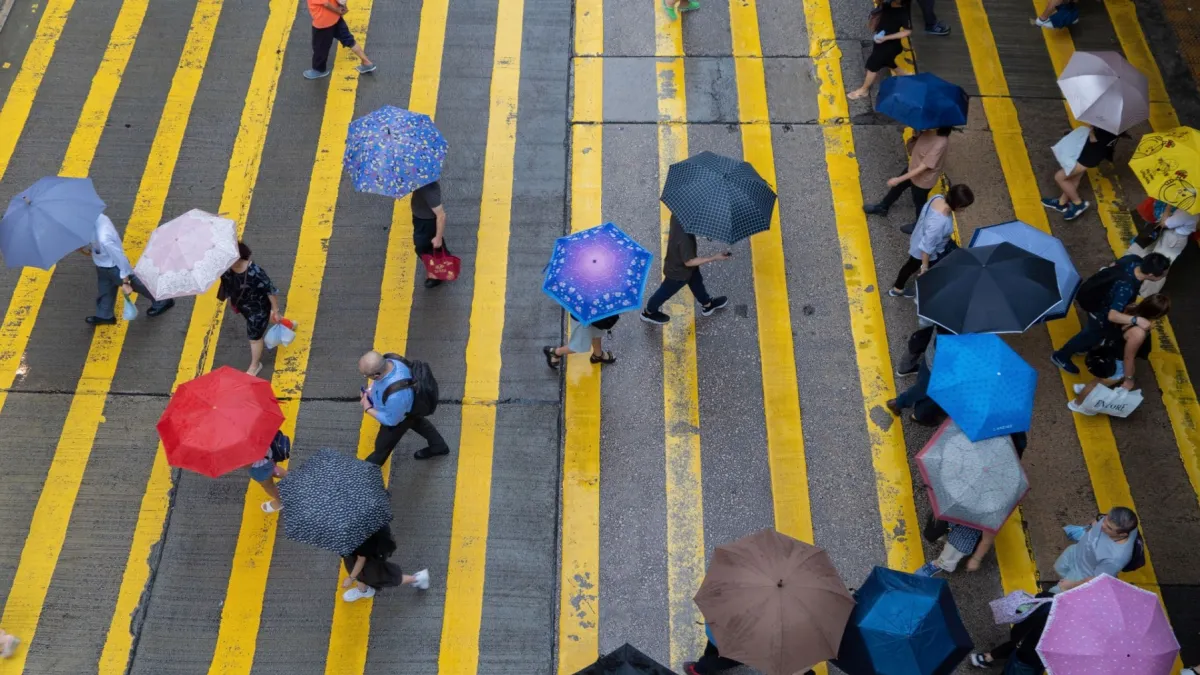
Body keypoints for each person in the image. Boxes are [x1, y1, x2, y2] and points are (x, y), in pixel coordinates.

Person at [1051, 253, 1170, 374]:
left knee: (1093, 335)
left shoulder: (1133, 259)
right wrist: (1136, 320)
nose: (1165, 274)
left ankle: (1083, 347)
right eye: (1163, 274)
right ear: (1151, 275)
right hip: (1100, 312)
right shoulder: (1126, 288)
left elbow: (1113, 265)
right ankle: (1061, 355)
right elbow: (1112, 316)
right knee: (1091, 334)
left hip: (1095, 297)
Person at [1068, 295, 1169, 414]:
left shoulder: (1131, 308)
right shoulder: (1138, 333)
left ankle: (1083, 389)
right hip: (1116, 361)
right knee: (1099, 384)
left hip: (1108, 349)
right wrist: (1128, 378)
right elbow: (1128, 357)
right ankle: (1077, 404)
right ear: (1158, 315)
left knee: (1099, 380)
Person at [82, 213, 175, 325]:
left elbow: (120, 259)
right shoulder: (97, 219)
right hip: (102, 264)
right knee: (105, 289)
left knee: (136, 284)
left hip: (114, 266)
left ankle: (162, 300)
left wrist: (125, 281)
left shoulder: (104, 238)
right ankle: (104, 315)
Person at [359, 351, 450, 464]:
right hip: (408, 408)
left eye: (366, 375)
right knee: (417, 422)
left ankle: (368, 469)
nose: (366, 377)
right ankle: (439, 446)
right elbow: (379, 383)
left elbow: (391, 421)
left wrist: (368, 408)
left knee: (382, 447)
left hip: (399, 416)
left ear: (376, 375)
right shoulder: (392, 360)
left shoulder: (395, 396)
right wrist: (370, 391)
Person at [640, 215, 729, 325]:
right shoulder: (685, 238)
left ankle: (707, 305)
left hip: (683, 266)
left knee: (697, 283)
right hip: (679, 272)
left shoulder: (678, 216)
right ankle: (648, 312)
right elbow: (689, 262)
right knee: (665, 292)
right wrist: (714, 257)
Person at [888, 185, 974, 297]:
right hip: (929, 249)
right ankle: (901, 289)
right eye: (963, 207)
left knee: (910, 266)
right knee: (915, 267)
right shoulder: (939, 222)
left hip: (919, 237)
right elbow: (926, 247)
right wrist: (925, 267)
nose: (963, 210)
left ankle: (898, 288)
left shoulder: (937, 198)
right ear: (957, 205)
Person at [864, 127, 953, 231]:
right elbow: (911, 150)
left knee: (919, 202)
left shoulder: (940, 143)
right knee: (897, 188)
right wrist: (915, 136)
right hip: (912, 169)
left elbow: (922, 168)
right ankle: (883, 207)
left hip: (923, 180)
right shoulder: (927, 131)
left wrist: (898, 179)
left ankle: (918, 225)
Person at [217, 242, 281, 377]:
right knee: (267, 319)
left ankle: (255, 365)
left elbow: (270, 290)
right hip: (243, 307)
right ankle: (287, 323)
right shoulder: (226, 270)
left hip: (258, 309)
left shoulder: (255, 272)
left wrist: (276, 309)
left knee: (254, 338)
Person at [1050, 507, 1138, 593]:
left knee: (1055, 593)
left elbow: (1096, 580)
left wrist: (1071, 585)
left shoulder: (1115, 559)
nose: (1102, 525)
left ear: (1122, 534)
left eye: (1109, 527)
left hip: (1082, 575)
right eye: (1104, 519)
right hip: (1075, 552)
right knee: (1058, 569)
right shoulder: (1120, 522)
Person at [1042, 125, 1120, 221]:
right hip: (1094, 153)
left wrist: (1091, 131)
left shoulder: (1107, 125)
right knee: (1075, 178)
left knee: (1059, 177)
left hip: (1090, 155)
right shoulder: (1117, 126)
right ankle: (1061, 203)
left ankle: (1078, 203)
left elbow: (1094, 139)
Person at [341, 524, 430, 602]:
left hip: (369, 557)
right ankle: (363, 589)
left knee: (384, 576)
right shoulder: (363, 524)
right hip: (369, 551)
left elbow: (361, 560)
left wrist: (351, 578)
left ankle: (417, 578)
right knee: (361, 573)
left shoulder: (357, 536)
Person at [847, 0, 912, 101]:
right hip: (880, 41)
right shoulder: (886, 4)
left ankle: (864, 90)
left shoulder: (903, 13)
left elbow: (907, 31)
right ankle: (904, 75)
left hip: (889, 46)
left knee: (872, 65)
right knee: (889, 62)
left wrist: (886, 38)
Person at [968, 597, 1052, 674]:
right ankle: (987, 657)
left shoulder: (1052, 603)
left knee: (1014, 646)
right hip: (1028, 657)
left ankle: (985, 657)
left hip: (1022, 636)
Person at [1127, 200, 1195, 295]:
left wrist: (1169, 205)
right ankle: (1143, 289)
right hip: (1173, 236)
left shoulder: (1187, 213)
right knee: (1156, 262)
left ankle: (1146, 293)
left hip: (1173, 240)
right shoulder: (1191, 210)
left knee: (1159, 266)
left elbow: (1164, 223)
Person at [886, 325, 944, 425]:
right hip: (939, 366)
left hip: (932, 356)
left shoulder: (950, 321)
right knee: (925, 389)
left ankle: (904, 405)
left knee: (924, 387)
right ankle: (900, 404)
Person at [305, 0, 375, 80]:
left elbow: (326, 3)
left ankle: (319, 70)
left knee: (320, 48)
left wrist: (337, 10)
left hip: (323, 22)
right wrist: (342, 7)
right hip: (336, 18)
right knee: (349, 40)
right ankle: (366, 62)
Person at [916, 524, 995, 576]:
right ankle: (947, 540)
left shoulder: (992, 516)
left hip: (968, 531)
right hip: (958, 518)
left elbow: (987, 540)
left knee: (956, 547)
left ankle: (939, 564)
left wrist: (976, 558)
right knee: (931, 532)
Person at [543, 314, 618, 368]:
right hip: (582, 317)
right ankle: (555, 352)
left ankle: (598, 355)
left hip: (594, 314)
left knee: (596, 332)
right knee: (579, 345)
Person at [411, 181, 449, 288]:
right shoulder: (420, 182)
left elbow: (441, 216)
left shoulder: (429, 189)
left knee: (422, 248)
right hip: (419, 218)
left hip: (426, 223)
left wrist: (438, 238)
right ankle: (444, 258)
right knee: (432, 247)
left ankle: (438, 275)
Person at [249, 442, 288, 514]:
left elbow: (245, 464)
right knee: (273, 468)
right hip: (268, 454)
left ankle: (280, 502)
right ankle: (293, 478)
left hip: (257, 467)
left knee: (269, 486)